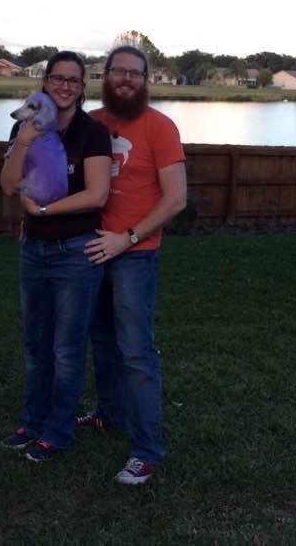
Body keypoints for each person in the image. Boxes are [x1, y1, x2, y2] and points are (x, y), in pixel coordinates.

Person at [0, 51, 112, 462]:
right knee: (36, 345)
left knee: (66, 350)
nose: (64, 86)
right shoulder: (27, 124)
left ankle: (58, 432)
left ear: (82, 88)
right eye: (57, 78)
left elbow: (97, 195)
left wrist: (44, 210)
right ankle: (31, 423)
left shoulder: (92, 132)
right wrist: (24, 139)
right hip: (34, 250)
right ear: (46, 81)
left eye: (73, 80)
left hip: (76, 252)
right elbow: (8, 185)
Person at [83, 45, 187, 485]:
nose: (126, 78)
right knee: (102, 341)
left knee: (136, 351)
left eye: (135, 73)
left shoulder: (160, 127)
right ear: (105, 75)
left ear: (146, 80)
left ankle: (147, 450)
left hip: (134, 254)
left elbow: (176, 199)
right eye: (119, 71)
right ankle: (108, 413)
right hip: (91, 249)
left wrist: (125, 238)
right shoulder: (91, 123)